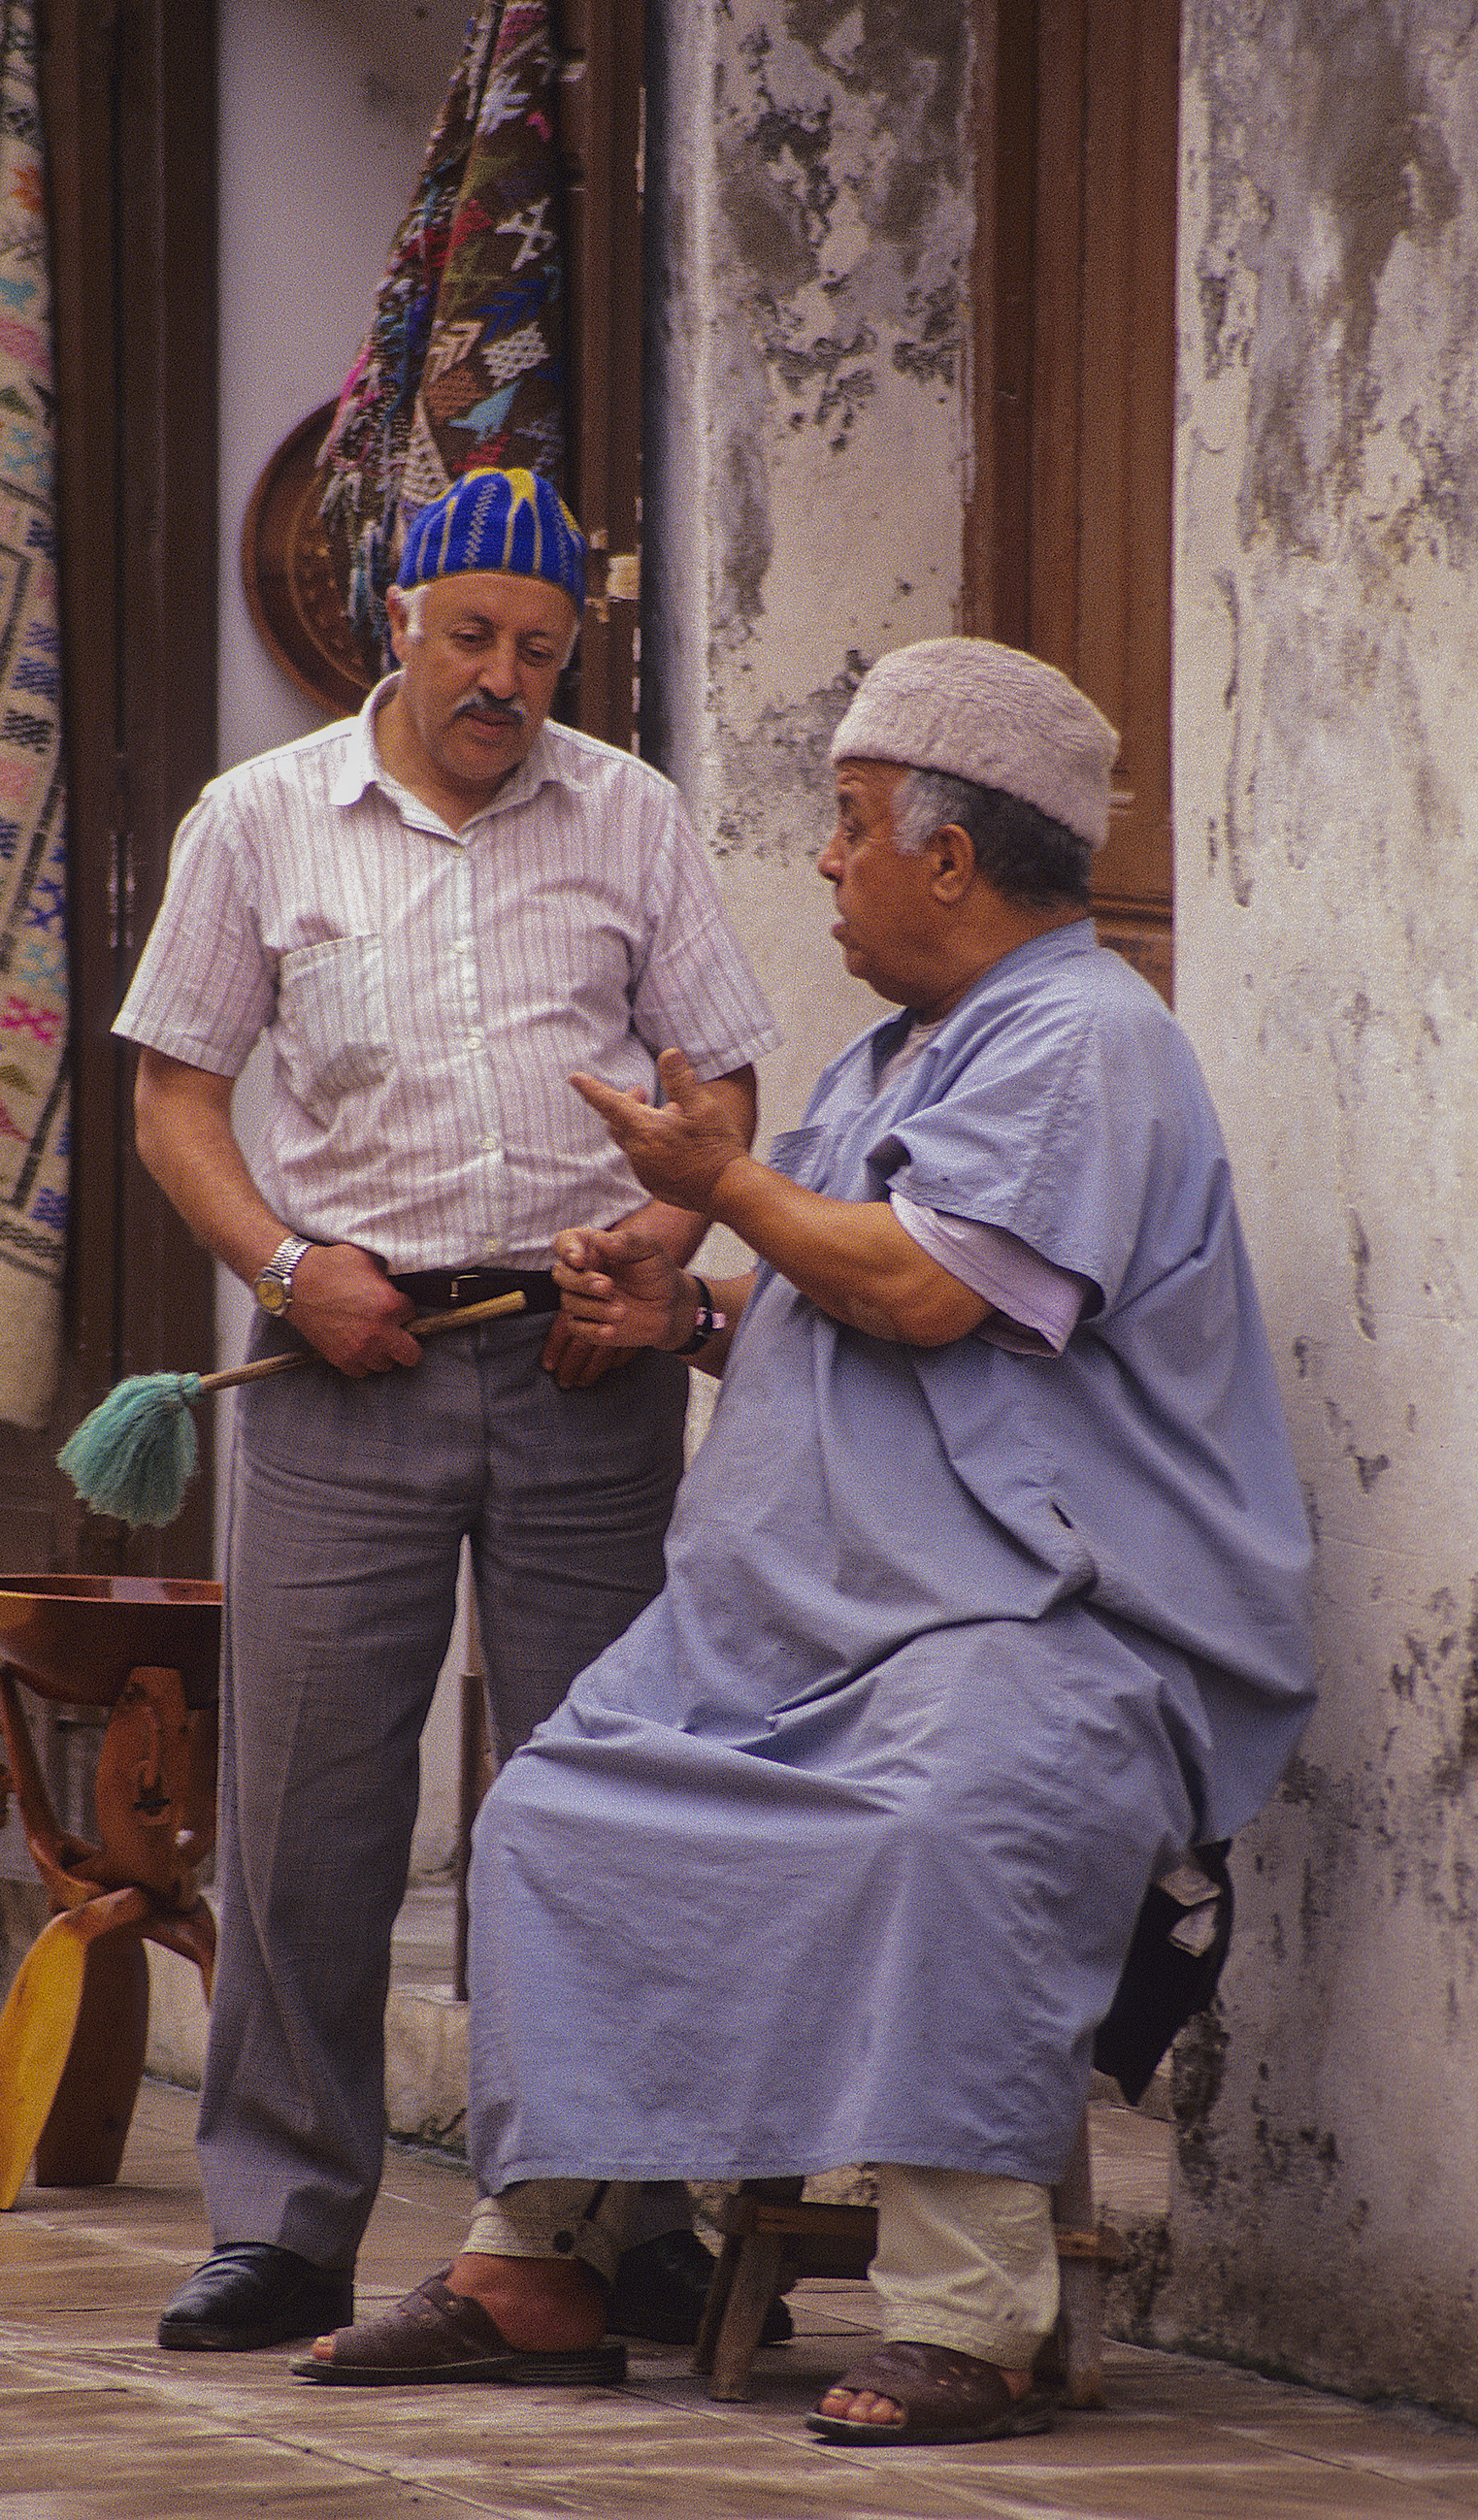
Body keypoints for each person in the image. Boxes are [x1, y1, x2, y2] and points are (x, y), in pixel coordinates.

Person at [288, 635, 1318, 2444]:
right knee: (556, 1806)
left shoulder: (1088, 1038)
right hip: (807, 1626)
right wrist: (685, 1310)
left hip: (1038, 1624)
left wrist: (713, 1191)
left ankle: (963, 2307)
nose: (825, 863)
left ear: (951, 854)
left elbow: (925, 1290)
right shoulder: (900, 1051)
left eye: (850, 828)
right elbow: (845, 1296)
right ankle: (545, 2252)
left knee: (946, 1821)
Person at [113, 467, 780, 2353]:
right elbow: (176, 1096)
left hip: (582, 1370)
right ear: (393, 618)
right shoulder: (258, 822)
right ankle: (283, 2224)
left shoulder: (628, 816)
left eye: (541, 651)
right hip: (345, 1363)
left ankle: (600, 2213)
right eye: (473, 635)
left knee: (587, 1801)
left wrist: (651, 1246)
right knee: (312, 1809)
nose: (504, 679)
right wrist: (280, 1265)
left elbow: (714, 1087)